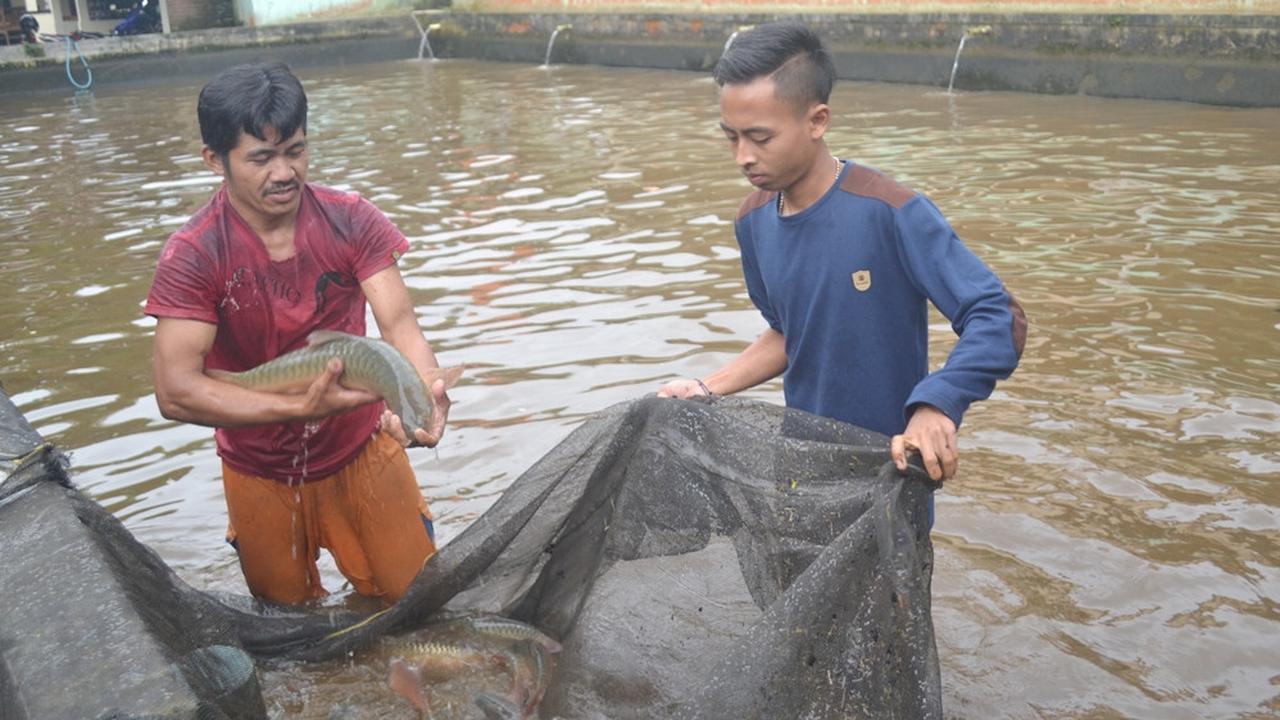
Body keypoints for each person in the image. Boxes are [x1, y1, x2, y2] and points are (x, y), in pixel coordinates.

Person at [658, 22, 1026, 486]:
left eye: (760, 137)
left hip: (888, 475)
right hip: (802, 467)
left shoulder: (890, 211)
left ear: (817, 121)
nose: (742, 157)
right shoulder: (752, 220)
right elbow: (790, 334)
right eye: (731, 137)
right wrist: (707, 387)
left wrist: (937, 403)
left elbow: (997, 315)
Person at [145, 62, 451, 606]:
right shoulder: (194, 253)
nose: (284, 172)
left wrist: (424, 392)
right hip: (258, 470)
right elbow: (175, 391)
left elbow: (400, 325)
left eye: (296, 150)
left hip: (362, 447)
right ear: (214, 159)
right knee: (291, 630)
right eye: (261, 158)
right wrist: (293, 409)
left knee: (417, 605)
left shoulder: (351, 219)